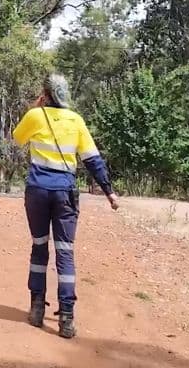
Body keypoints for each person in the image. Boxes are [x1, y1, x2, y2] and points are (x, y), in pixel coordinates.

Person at [12, 73, 118, 340]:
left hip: (37, 191)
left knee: (39, 247)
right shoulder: (76, 121)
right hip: (65, 195)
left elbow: (17, 138)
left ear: (45, 95)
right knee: (65, 253)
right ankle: (67, 319)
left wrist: (36, 109)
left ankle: (37, 309)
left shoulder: (35, 116)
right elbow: (93, 160)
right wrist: (109, 191)